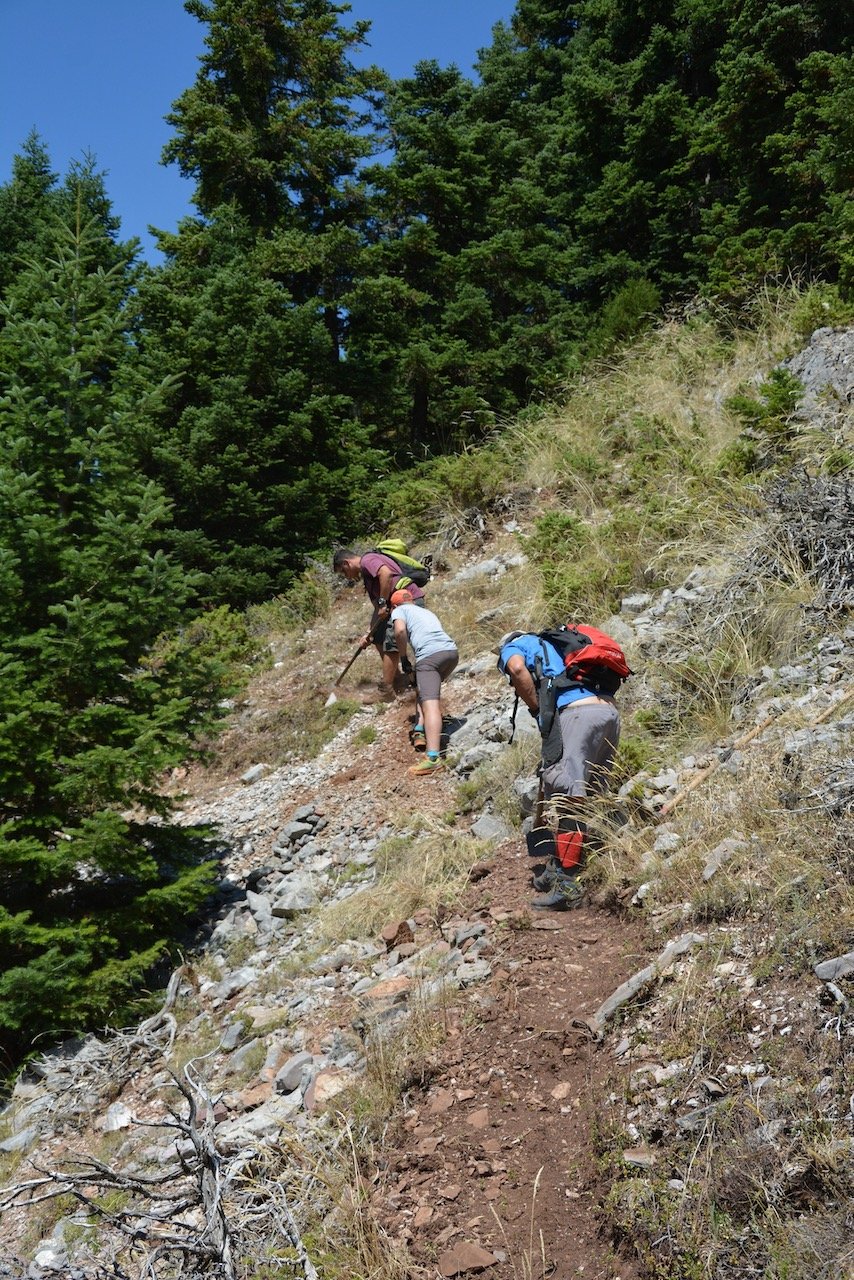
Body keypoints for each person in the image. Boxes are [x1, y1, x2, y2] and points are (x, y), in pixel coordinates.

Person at [496, 629, 621, 910]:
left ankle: (568, 884)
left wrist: (539, 711)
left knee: (568, 797)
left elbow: (517, 669)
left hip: (576, 714)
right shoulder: (559, 647)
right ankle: (560, 864)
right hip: (608, 713)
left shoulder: (514, 646)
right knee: (587, 794)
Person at [332, 548, 427, 695]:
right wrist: (369, 634)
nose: (347, 577)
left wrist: (383, 603)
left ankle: (386, 692)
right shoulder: (367, 577)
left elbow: (386, 573)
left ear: (346, 563)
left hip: (407, 601)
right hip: (396, 606)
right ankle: (398, 680)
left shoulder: (367, 561)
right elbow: (378, 608)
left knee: (391, 642)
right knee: (378, 637)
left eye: (343, 572)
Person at [390, 589, 458, 776]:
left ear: (394, 606)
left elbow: (400, 630)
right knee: (425, 692)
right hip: (451, 653)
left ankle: (433, 759)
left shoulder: (398, 611)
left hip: (429, 657)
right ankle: (420, 729)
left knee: (431, 706)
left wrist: (403, 658)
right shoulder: (426, 612)